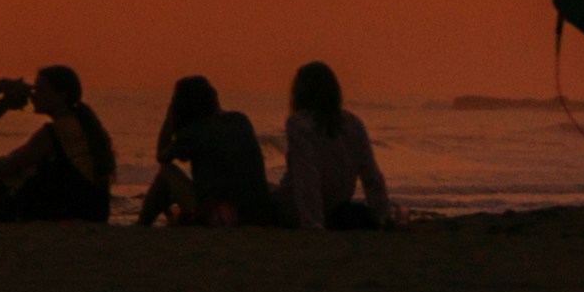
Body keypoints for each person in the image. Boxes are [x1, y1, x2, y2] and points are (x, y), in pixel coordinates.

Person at [0, 65, 118, 222]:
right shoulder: (77, 124)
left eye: (40, 89)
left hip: (65, 211)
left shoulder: (55, 132)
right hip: (82, 209)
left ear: (62, 95)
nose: (34, 94)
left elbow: (8, 167)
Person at [137, 75, 279, 226]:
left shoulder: (195, 132)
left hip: (220, 215)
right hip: (256, 214)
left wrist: (170, 117)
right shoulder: (240, 120)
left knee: (167, 172)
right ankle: (171, 222)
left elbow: (161, 156)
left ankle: (142, 225)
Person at [282, 60, 397, 231]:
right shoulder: (353, 122)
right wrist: (383, 215)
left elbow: (307, 175)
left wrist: (313, 223)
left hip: (299, 208)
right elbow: (371, 175)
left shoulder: (299, 123)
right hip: (337, 206)